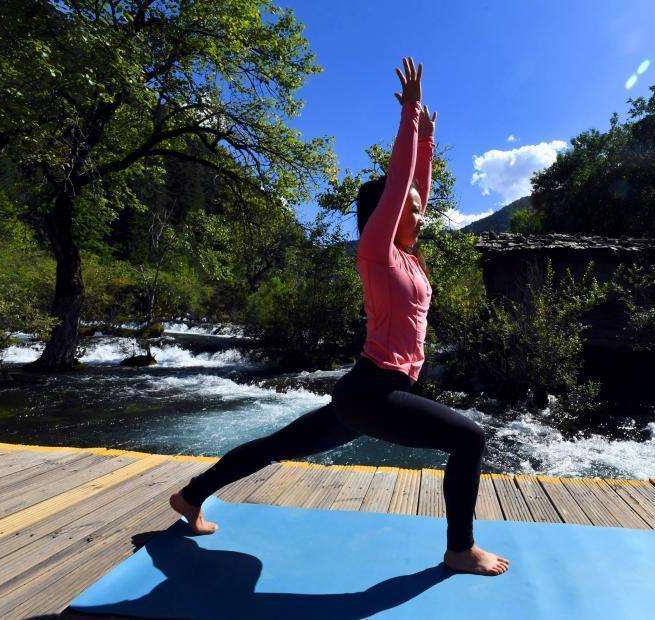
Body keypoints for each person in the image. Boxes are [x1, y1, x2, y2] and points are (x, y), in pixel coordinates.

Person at [170, 57, 510, 577]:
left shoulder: (409, 256)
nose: (419, 214)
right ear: (385, 217)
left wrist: (428, 144)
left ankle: (191, 496)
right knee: (470, 438)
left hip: (368, 393)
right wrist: (410, 115)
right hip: (374, 391)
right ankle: (459, 549)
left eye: (418, 210)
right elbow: (399, 186)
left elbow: (414, 186)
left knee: (277, 445)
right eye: (410, 211)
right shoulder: (377, 250)